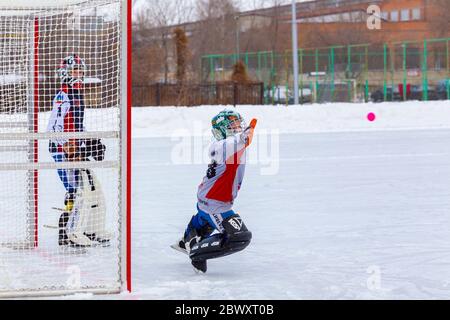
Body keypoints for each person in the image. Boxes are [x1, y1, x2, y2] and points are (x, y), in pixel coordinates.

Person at [173, 110, 257, 273]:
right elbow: (238, 141)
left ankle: (188, 238)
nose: (238, 127)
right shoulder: (221, 146)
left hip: (210, 200)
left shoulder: (231, 145)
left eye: (239, 123)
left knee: (203, 222)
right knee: (239, 237)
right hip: (215, 204)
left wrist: (243, 137)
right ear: (221, 130)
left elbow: (240, 142)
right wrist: (244, 136)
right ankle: (197, 253)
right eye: (233, 125)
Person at [47, 54, 107, 247]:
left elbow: (77, 126)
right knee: (78, 191)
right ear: (65, 73)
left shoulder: (77, 94)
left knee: (93, 189)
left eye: (81, 72)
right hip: (62, 151)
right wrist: (67, 147)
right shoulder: (63, 95)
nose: (79, 75)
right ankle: (71, 232)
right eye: (75, 71)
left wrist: (91, 141)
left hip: (72, 149)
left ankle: (92, 230)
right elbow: (54, 128)